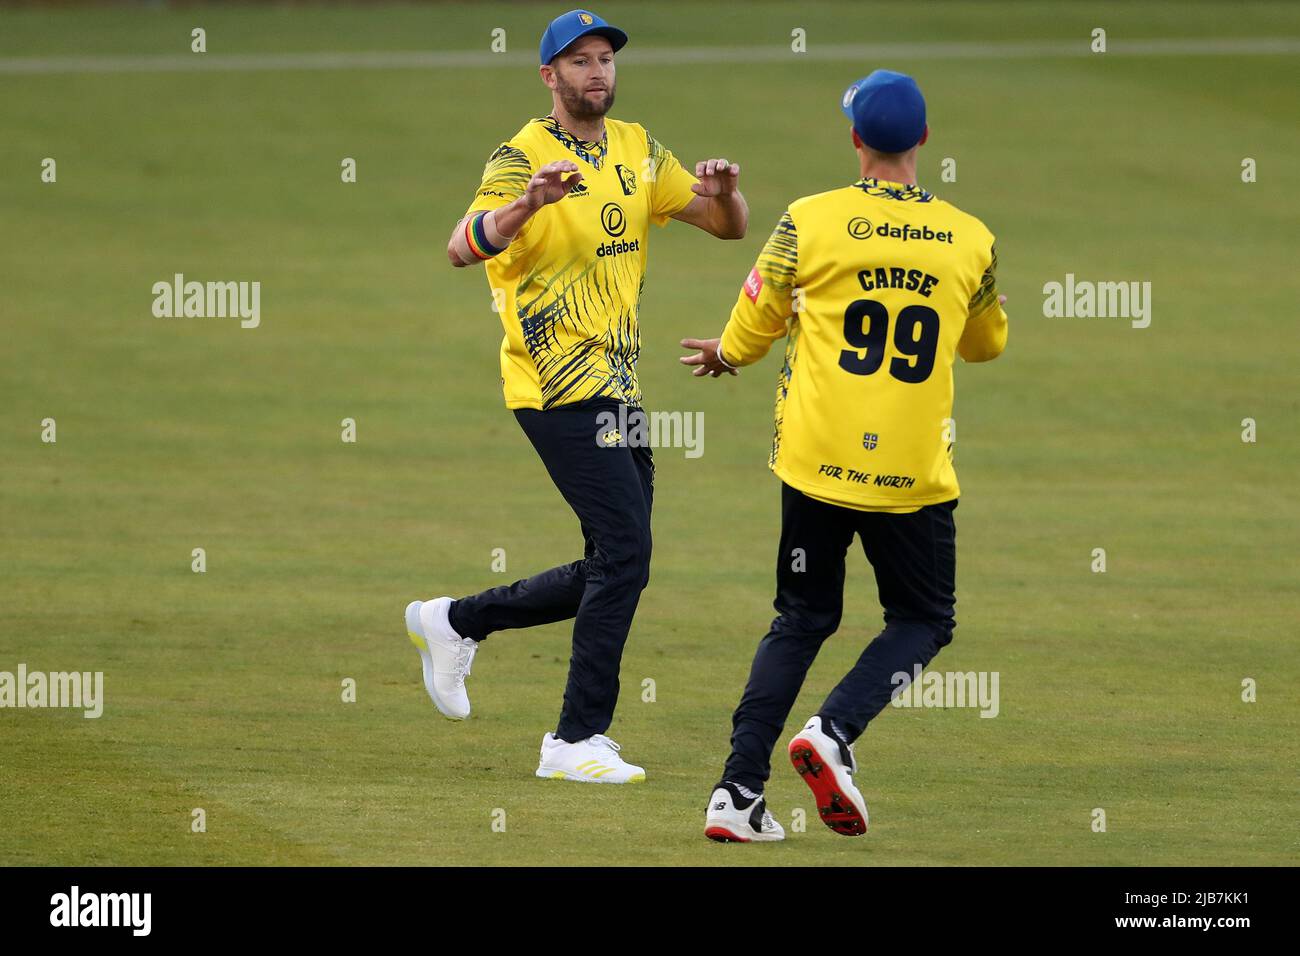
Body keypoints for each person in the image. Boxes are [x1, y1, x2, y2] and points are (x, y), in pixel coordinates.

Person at [405, 9, 748, 785]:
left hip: (619, 383)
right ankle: (574, 740)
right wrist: (530, 204)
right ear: (549, 77)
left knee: (618, 559)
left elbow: (725, 228)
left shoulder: (637, 148)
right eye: (580, 61)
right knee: (626, 554)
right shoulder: (519, 155)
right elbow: (462, 246)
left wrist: (725, 196)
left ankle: (457, 621)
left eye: (605, 59)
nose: (597, 72)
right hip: (553, 384)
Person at [681, 69, 1008, 840]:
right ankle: (833, 732)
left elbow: (756, 318)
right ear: (924, 140)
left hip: (814, 462)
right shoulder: (970, 238)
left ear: (854, 138)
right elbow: (987, 343)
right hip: (910, 476)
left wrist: (727, 355)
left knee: (800, 619)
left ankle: (736, 792)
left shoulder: (809, 220)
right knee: (923, 618)